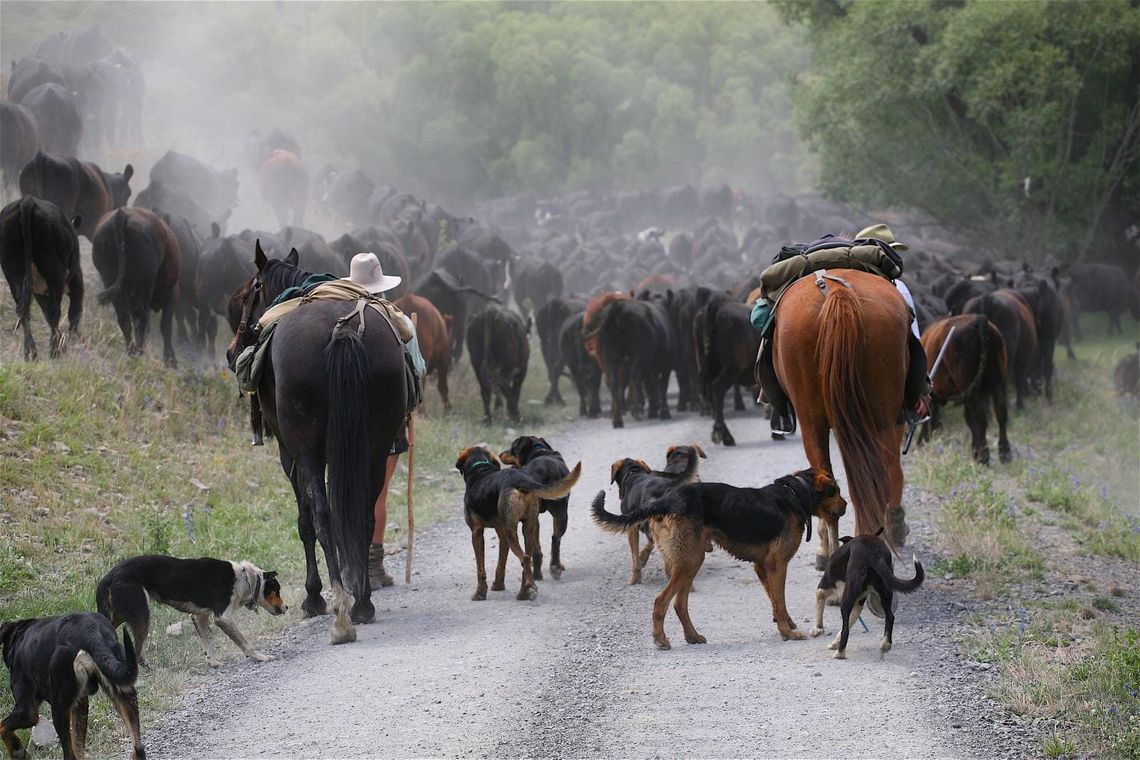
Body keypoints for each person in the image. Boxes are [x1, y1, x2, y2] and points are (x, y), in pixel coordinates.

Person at [342, 252, 419, 588]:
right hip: (386, 424)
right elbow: (418, 370)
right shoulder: (397, 320)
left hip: (343, 423)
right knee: (379, 493)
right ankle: (373, 567)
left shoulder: (339, 320)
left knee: (345, 488)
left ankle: (346, 563)